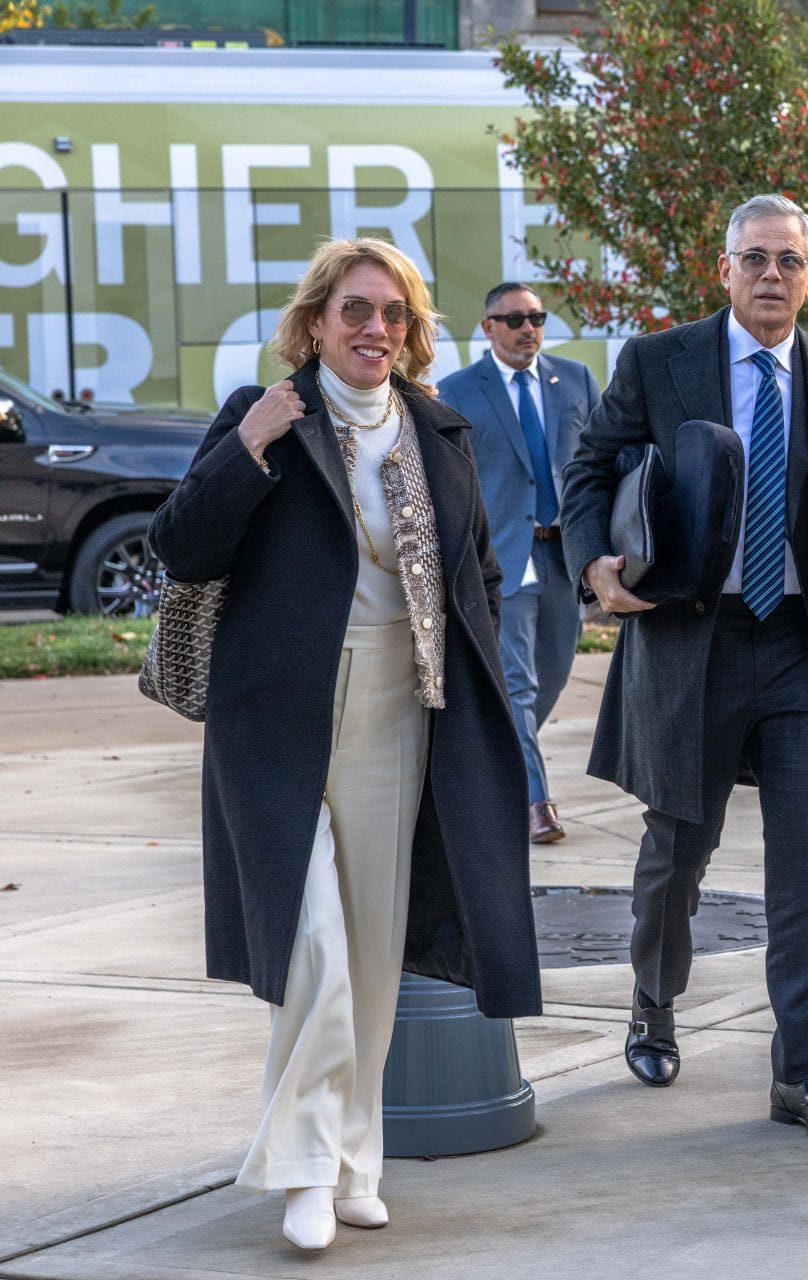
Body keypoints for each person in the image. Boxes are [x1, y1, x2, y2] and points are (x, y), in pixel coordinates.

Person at [148, 237, 542, 1252]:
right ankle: (305, 1167)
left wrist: (481, 682)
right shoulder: (263, 415)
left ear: (411, 332)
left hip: (401, 706)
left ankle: (357, 1159)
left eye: (395, 314)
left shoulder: (437, 429)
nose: (375, 329)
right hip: (278, 716)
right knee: (314, 945)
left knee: (371, 952)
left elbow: (480, 577)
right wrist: (251, 449)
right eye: (355, 310)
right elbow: (182, 543)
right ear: (315, 320)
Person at [560, 194, 808, 1142]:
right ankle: (653, 1002)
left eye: (788, 261)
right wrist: (594, 560)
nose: (771, 275)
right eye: (754, 258)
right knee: (678, 853)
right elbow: (590, 467)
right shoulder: (658, 361)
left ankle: (800, 1071)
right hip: (694, 643)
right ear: (724, 269)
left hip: (803, 651)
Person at [439, 282, 602, 844]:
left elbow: (607, 457)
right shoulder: (458, 391)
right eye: (513, 320)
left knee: (552, 672)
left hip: (566, 554)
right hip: (503, 555)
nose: (527, 328)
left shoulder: (575, 380)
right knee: (519, 682)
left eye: (536, 317)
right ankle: (534, 800)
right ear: (488, 327)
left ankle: (501, 758)